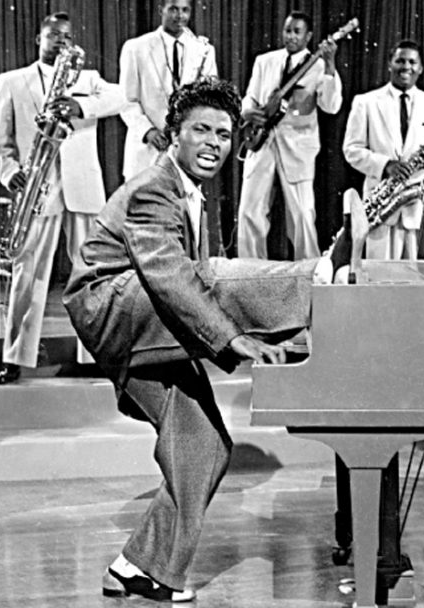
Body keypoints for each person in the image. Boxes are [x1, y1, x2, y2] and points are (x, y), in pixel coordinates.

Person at [63, 77, 362, 603]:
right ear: (173, 135)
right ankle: (316, 276)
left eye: (223, 134)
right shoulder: (153, 188)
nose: (214, 144)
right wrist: (232, 339)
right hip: (114, 310)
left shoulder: (189, 191)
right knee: (210, 274)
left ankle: (139, 568)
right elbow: (171, 277)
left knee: (203, 447)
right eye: (201, 130)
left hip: (152, 325)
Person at [0, 11, 126, 384]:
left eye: (66, 36)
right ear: (39, 39)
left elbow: (123, 96)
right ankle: (15, 356)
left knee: (91, 273)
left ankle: (94, 356)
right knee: (28, 273)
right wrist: (10, 173)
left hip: (82, 186)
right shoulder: (12, 81)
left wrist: (81, 107)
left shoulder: (89, 79)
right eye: (53, 35)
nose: (60, 41)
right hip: (38, 186)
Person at [237, 10, 342, 261]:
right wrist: (248, 112)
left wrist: (330, 65)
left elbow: (331, 106)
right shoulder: (265, 61)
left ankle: (308, 271)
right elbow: (250, 97)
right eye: (288, 30)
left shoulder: (319, 66)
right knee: (249, 211)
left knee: (303, 215)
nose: (291, 36)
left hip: (298, 148)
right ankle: (249, 269)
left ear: (309, 36)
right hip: (262, 142)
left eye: (297, 32)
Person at [342, 39, 424, 260]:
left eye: (412, 62)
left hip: (417, 210)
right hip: (381, 208)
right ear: (389, 64)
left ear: (421, 68)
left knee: (418, 276)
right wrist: (385, 165)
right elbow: (351, 149)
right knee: (379, 275)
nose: (406, 67)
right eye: (400, 61)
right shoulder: (365, 102)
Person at [119, 0, 217, 183]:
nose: (180, 16)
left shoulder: (204, 50)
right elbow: (126, 101)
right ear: (160, 10)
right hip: (146, 153)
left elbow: (208, 101)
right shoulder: (135, 47)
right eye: (173, 9)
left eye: (185, 10)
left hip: (185, 153)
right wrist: (148, 131)